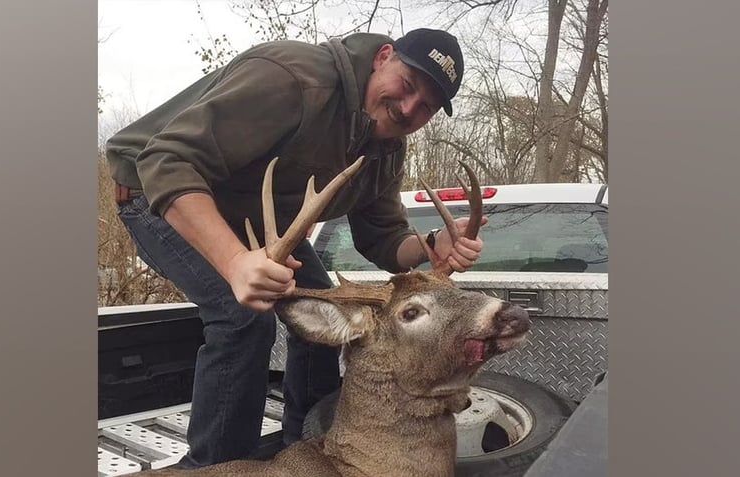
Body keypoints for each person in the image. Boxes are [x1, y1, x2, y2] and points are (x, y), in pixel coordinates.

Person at [106, 27, 486, 469]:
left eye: (427, 107)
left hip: (255, 230)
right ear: (384, 57)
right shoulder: (294, 79)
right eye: (407, 86)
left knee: (327, 311)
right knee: (242, 316)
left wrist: (433, 246)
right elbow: (165, 161)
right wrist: (234, 263)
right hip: (157, 196)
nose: (408, 109)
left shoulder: (386, 149)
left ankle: (306, 452)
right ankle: (218, 465)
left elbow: (382, 239)